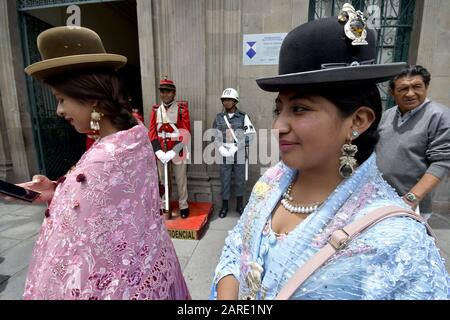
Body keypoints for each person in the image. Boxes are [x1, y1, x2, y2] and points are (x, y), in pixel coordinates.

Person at [210, 4, 449, 300]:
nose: (278, 125)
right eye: (279, 108)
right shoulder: (271, 181)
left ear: (358, 121)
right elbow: (235, 248)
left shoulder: (398, 241)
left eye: (299, 108)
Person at [20, 26, 190, 300]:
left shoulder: (107, 154)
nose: (59, 110)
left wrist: (64, 195)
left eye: (62, 99)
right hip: (153, 266)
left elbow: (75, 242)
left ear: (92, 97)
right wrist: (59, 190)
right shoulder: (132, 132)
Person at [376, 65, 450, 220]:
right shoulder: (388, 115)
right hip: (379, 199)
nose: (410, 93)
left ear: (426, 87)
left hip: (411, 205)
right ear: (392, 93)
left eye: (417, 87)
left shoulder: (440, 116)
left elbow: (442, 162)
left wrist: (411, 199)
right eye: (403, 89)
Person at [149, 78, 191, 219]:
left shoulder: (181, 110)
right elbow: (152, 132)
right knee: (163, 180)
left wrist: (174, 150)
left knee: (181, 180)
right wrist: (158, 151)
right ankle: (165, 205)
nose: (165, 94)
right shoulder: (155, 110)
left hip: (177, 151)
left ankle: (183, 205)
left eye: (168, 91)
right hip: (162, 152)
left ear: (174, 93)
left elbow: (185, 133)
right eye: (162, 91)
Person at [212, 88, 255, 218]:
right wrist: (220, 148)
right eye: (224, 100)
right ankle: (224, 206)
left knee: (240, 180)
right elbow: (215, 135)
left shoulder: (243, 117)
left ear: (235, 101)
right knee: (224, 180)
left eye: (229, 99)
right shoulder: (219, 118)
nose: (226, 102)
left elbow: (250, 135)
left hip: (239, 153)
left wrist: (237, 146)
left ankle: (239, 206)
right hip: (225, 153)